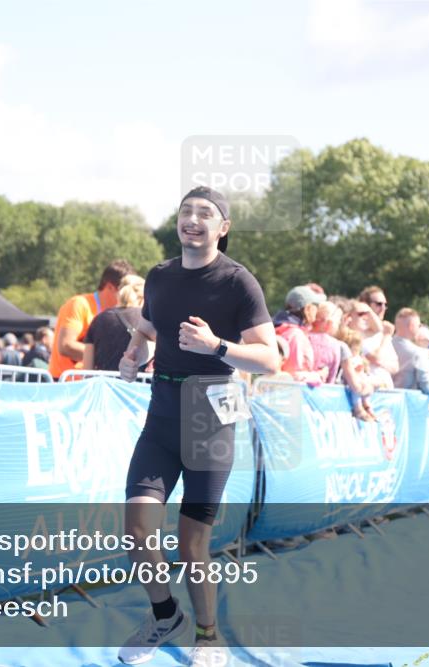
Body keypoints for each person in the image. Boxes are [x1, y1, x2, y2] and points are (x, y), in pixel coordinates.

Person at [117, 186, 279, 666]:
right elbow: (148, 328)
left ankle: (208, 636)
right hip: (162, 411)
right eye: (186, 211)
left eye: (205, 214)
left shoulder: (238, 283)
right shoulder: (161, 275)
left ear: (222, 228)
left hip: (210, 414)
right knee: (138, 528)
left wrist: (216, 346)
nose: (192, 219)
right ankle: (165, 615)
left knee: (192, 544)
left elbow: (271, 358)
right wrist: (132, 355)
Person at [48, 259, 136, 379]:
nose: (130, 295)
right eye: (125, 291)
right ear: (110, 287)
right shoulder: (79, 304)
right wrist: (106, 354)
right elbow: (65, 345)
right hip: (67, 384)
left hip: (90, 385)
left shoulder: (118, 314)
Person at [83, 275, 150, 372]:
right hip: (138, 385)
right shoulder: (148, 319)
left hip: (105, 385)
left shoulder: (99, 319)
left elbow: (87, 369)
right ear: (143, 297)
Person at [274, 285, 327, 385]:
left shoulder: (280, 328)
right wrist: (318, 375)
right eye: (316, 305)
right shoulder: (295, 335)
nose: (317, 310)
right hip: (291, 396)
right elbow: (294, 376)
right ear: (307, 309)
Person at [390, 308, 429, 394]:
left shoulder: (385, 346)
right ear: (411, 326)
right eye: (419, 325)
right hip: (409, 401)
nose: (419, 328)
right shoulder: (418, 353)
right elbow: (427, 386)